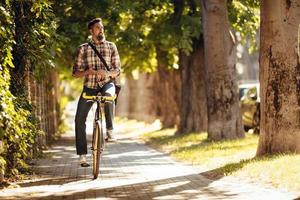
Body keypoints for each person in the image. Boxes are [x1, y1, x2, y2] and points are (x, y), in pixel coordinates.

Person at [72, 18, 121, 167]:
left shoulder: (111, 46)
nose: (101, 30)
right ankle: (82, 155)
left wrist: (106, 74)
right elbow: (75, 73)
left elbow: (117, 70)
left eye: (102, 27)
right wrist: (89, 71)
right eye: (98, 28)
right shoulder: (83, 48)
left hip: (107, 84)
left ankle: (110, 130)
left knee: (108, 97)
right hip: (90, 87)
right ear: (91, 31)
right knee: (79, 119)